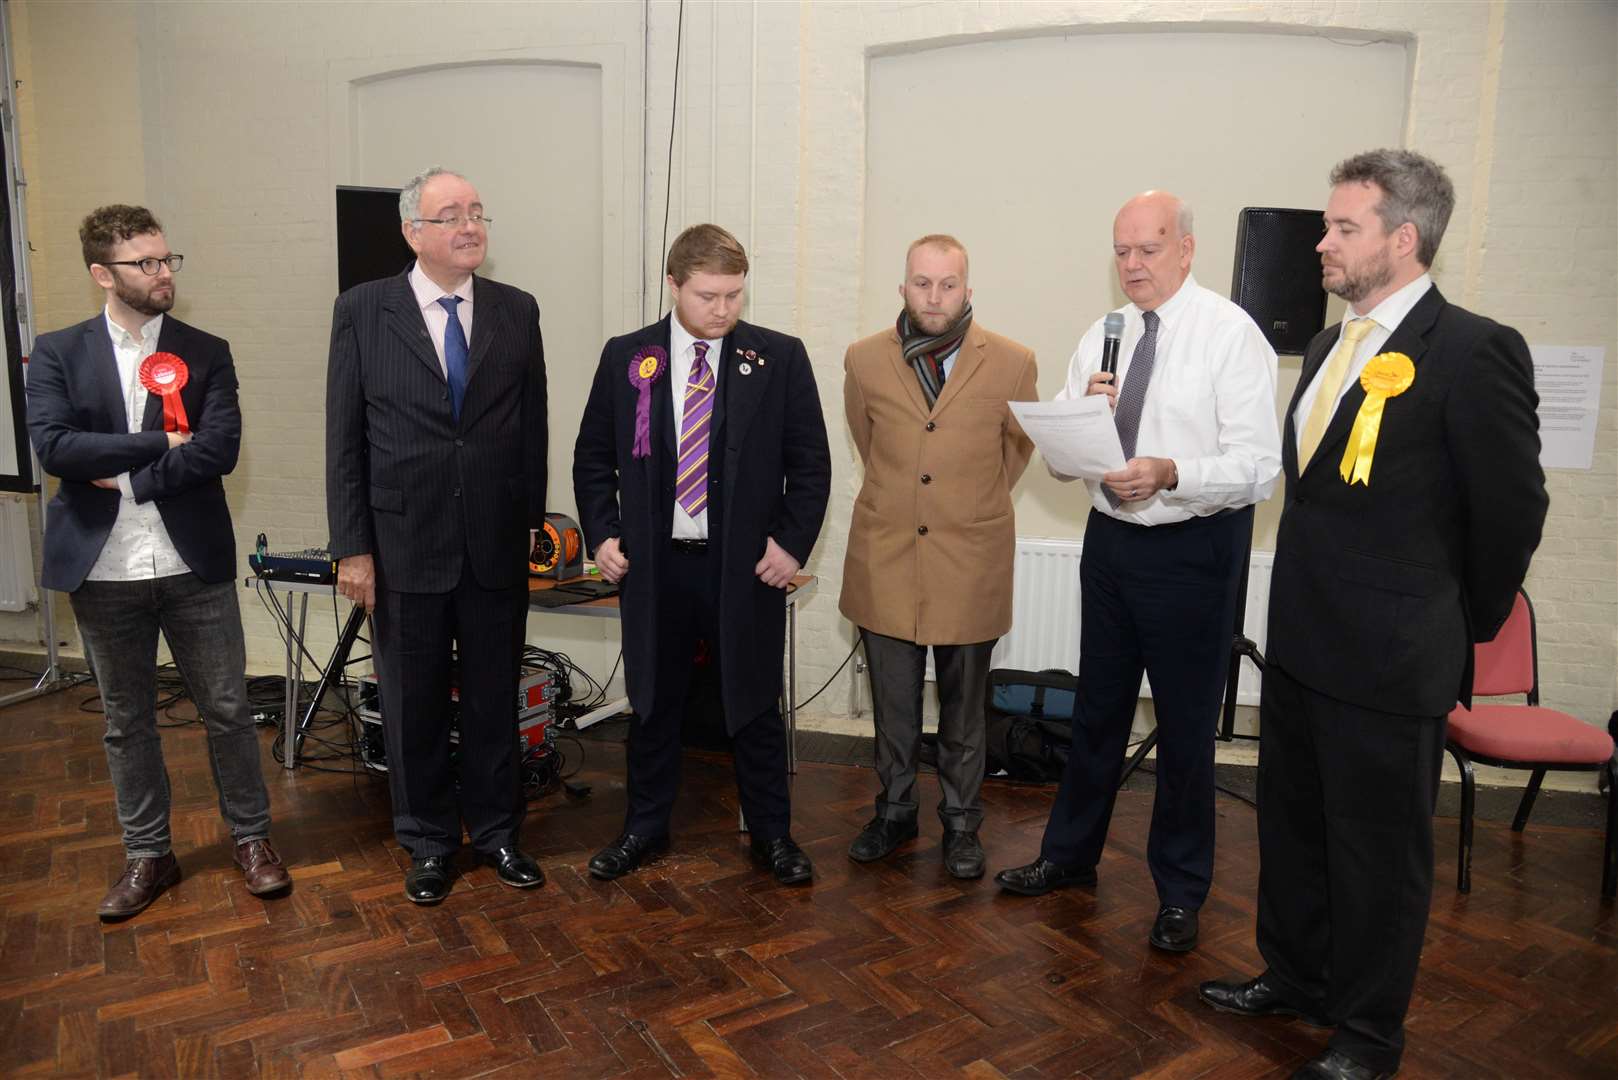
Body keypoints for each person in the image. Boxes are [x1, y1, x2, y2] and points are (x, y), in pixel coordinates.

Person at [1199, 150, 1547, 1080]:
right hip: (1306, 649)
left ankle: (1367, 1034)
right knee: (1295, 832)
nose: (1322, 242)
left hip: (1395, 663)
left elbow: (1512, 513)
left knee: (1379, 862)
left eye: (1342, 227)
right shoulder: (1324, 347)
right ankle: (1297, 977)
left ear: (1404, 238)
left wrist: (1448, 621)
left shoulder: (1474, 350)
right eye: (1327, 225)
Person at [995, 192, 1281, 956]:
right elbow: (1058, 457)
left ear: (1187, 249)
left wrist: (1170, 471)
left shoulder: (1230, 335)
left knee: (1185, 730)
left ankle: (1181, 892)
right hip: (1111, 543)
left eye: (1148, 249)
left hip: (1191, 550)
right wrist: (1079, 424)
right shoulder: (1103, 335)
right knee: (1097, 713)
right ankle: (1068, 856)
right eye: (1121, 251)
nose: (1132, 265)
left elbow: (1259, 465)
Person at [27, 204, 290, 918]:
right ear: (101, 274)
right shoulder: (58, 352)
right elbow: (55, 448)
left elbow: (218, 450)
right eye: (146, 263)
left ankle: (252, 839)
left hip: (190, 562)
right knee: (126, 720)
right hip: (102, 568)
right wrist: (158, 446)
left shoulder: (207, 351)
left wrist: (126, 472)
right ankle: (149, 855)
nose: (163, 273)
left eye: (168, 259)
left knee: (229, 709)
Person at [573, 223, 831, 884]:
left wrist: (790, 544)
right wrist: (603, 532)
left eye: (735, 295)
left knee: (752, 703)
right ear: (674, 285)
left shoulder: (779, 359)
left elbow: (811, 468)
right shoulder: (628, 358)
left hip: (743, 569)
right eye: (709, 296)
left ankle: (773, 836)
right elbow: (595, 457)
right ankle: (643, 828)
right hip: (657, 568)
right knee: (653, 703)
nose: (723, 310)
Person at [325, 167, 547, 904]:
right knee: (412, 703)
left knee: (492, 699)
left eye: (477, 212)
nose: (469, 226)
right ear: (411, 232)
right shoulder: (363, 310)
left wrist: (528, 529)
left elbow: (532, 433)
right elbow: (344, 440)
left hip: (492, 546)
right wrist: (352, 548)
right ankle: (425, 842)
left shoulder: (517, 311)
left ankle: (497, 833)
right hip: (401, 545)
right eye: (450, 214)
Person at [839, 234, 1037, 879]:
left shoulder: (1011, 362)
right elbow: (872, 446)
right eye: (922, 282)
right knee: (893, 709)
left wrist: (963, 504)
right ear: (903, 287)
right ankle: (894, 814)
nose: (934, 295)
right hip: (887, 557)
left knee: (964, 712)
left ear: (968, 290)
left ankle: (961, 825)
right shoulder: (864, 360)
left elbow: (1015, 454)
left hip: (970, 560)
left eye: (947, 284)